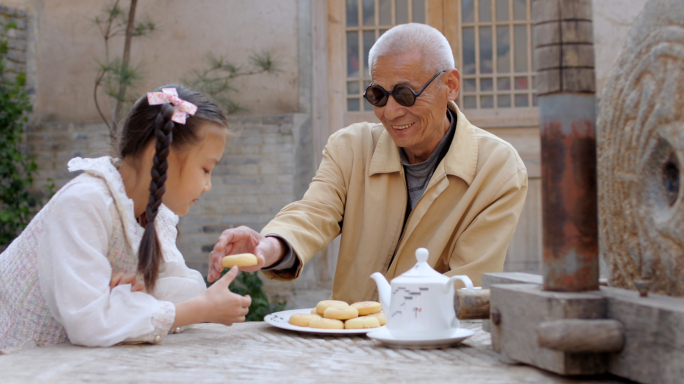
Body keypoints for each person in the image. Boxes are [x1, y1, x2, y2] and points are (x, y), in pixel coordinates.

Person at [207, 24, 528, 304]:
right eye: (378, 95)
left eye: (405, 94)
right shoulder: (350, 148)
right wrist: (270, 246)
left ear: (451, 85)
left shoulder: (497, 169)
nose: (390, 112)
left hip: (432, 347)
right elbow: (313, 213)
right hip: (348, 341)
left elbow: (466, 283)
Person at [0, 85, 251, 349]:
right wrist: (196, 311)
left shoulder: (155, 214)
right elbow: (88, 322)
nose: (207, 185)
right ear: (160, 155)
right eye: (206, 169)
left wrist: (142, 291)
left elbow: (187, 288)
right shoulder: (86, 203)